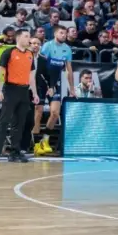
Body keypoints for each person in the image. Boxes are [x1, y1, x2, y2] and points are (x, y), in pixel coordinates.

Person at [0, 29, 38, 164]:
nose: (29, 39)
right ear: (18, 38)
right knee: (4, 122)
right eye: (26, 36)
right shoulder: (9, 52)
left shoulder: (30, 54)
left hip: (24, 91)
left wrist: (34, 93)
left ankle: (15, 152)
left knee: (19, 124)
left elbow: (31, 76)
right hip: (10, 89)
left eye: (29, 36)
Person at [37, 26, 74, 155]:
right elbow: (41, 69)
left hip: (55, 83)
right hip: (42, 82)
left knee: (55, 113)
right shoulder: (47, 46)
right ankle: (32, 143)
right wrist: (48, 86)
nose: (64, 35)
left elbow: (69, 70)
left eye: (65, 33)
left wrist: (72, 89)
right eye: (61, 33)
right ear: (55, 34)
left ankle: (44, 141)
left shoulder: (67, 49)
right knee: (38, 112)